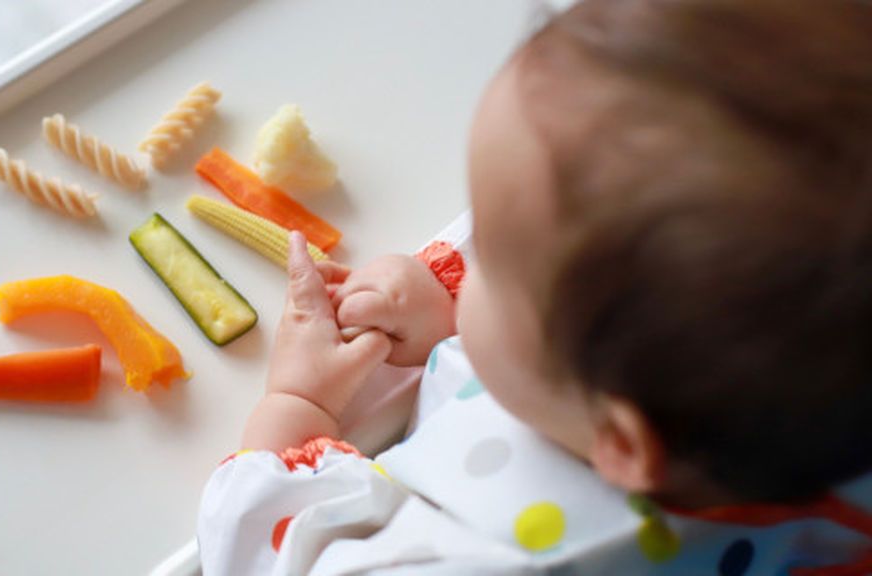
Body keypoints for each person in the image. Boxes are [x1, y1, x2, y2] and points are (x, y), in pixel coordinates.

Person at [198, 0, 872, 573]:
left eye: (485, 256)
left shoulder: (484, 556)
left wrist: (298, 405)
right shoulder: (799, 393)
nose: (462, 258)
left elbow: (265, 554)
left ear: (622, 443)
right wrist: (446, 316)